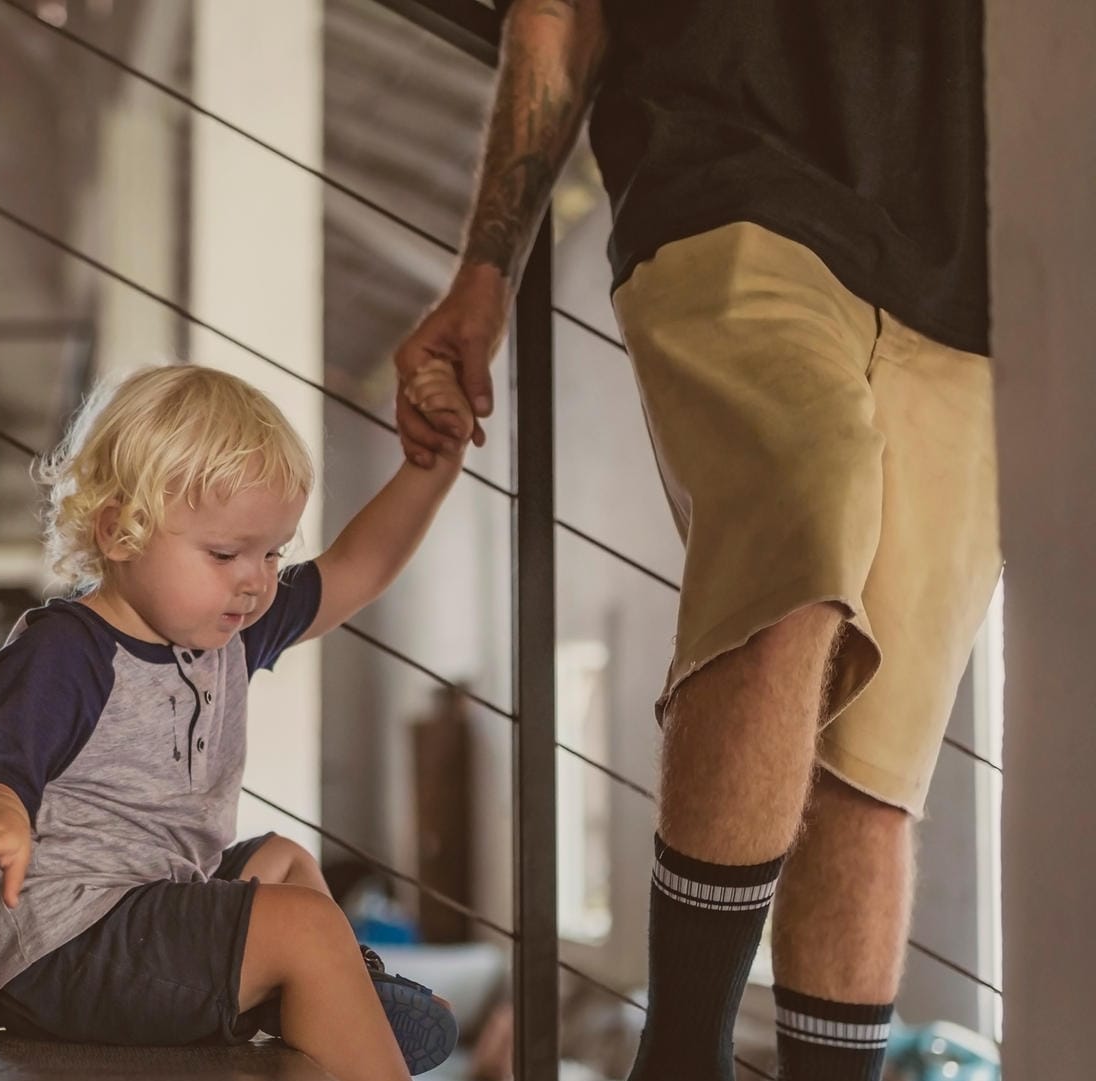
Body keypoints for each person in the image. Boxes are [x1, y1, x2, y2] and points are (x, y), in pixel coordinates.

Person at [392, 3, 997, 1081]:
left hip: (963, 266)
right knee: (800, 531)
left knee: (876, 751)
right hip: (722, 170)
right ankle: (677, 1058)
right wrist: (488, 268)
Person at [0, 364, 470, 1080]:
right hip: (69, 945)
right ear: (119, 533)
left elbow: (358, 564)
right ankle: (339, 999)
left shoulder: (226, 632)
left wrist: (436, 466)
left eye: (272, 552)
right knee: (305, 925)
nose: (257, 579)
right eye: (226, 553)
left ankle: (348, 993)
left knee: (283, 861)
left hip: (156, 906)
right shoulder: (67, 649)